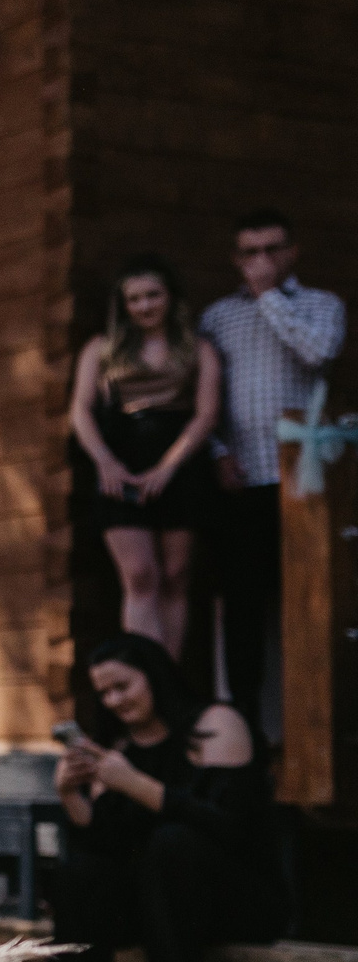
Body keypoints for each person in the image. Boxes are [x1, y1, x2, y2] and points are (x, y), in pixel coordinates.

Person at [45, 634, 268, 962]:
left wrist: (135, 785)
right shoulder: (120, 754)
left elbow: (228, 827)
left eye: (123, 686)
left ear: (154, 674)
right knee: (78, 874)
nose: (114, 701)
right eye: (104, 693)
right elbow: (103, 848)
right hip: (154, 906)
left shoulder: (216, 724)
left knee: (172, 843)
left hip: (233, 894)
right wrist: (69, 793)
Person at [199, 210, 344, 736]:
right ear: (236, 259)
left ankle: (312, 730)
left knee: (307, 602)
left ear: (292, 252)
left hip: (303, 484)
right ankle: (245, 732)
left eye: (271, 249)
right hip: (241, 484)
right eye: (249, 253)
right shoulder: (216, 317)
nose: (261, 262)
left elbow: (317, 353)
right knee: (242, 609)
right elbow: (201, 396)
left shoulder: (321, 305)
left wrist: (268, 299)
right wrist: (216, 452)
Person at [68, 256, 221, 653]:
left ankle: (168, 681)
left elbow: (206, 414)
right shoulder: (101, 349)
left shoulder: (197, 348)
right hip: (121, 460)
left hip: (179, 464)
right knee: (139, 575)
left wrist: (168, 468)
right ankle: (146, 677)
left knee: (176, 575)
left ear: (170, 297)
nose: (145, 306)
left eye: (153, 295)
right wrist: (105, 461)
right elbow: (80, 411)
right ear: (123, 305)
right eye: (134, 299)